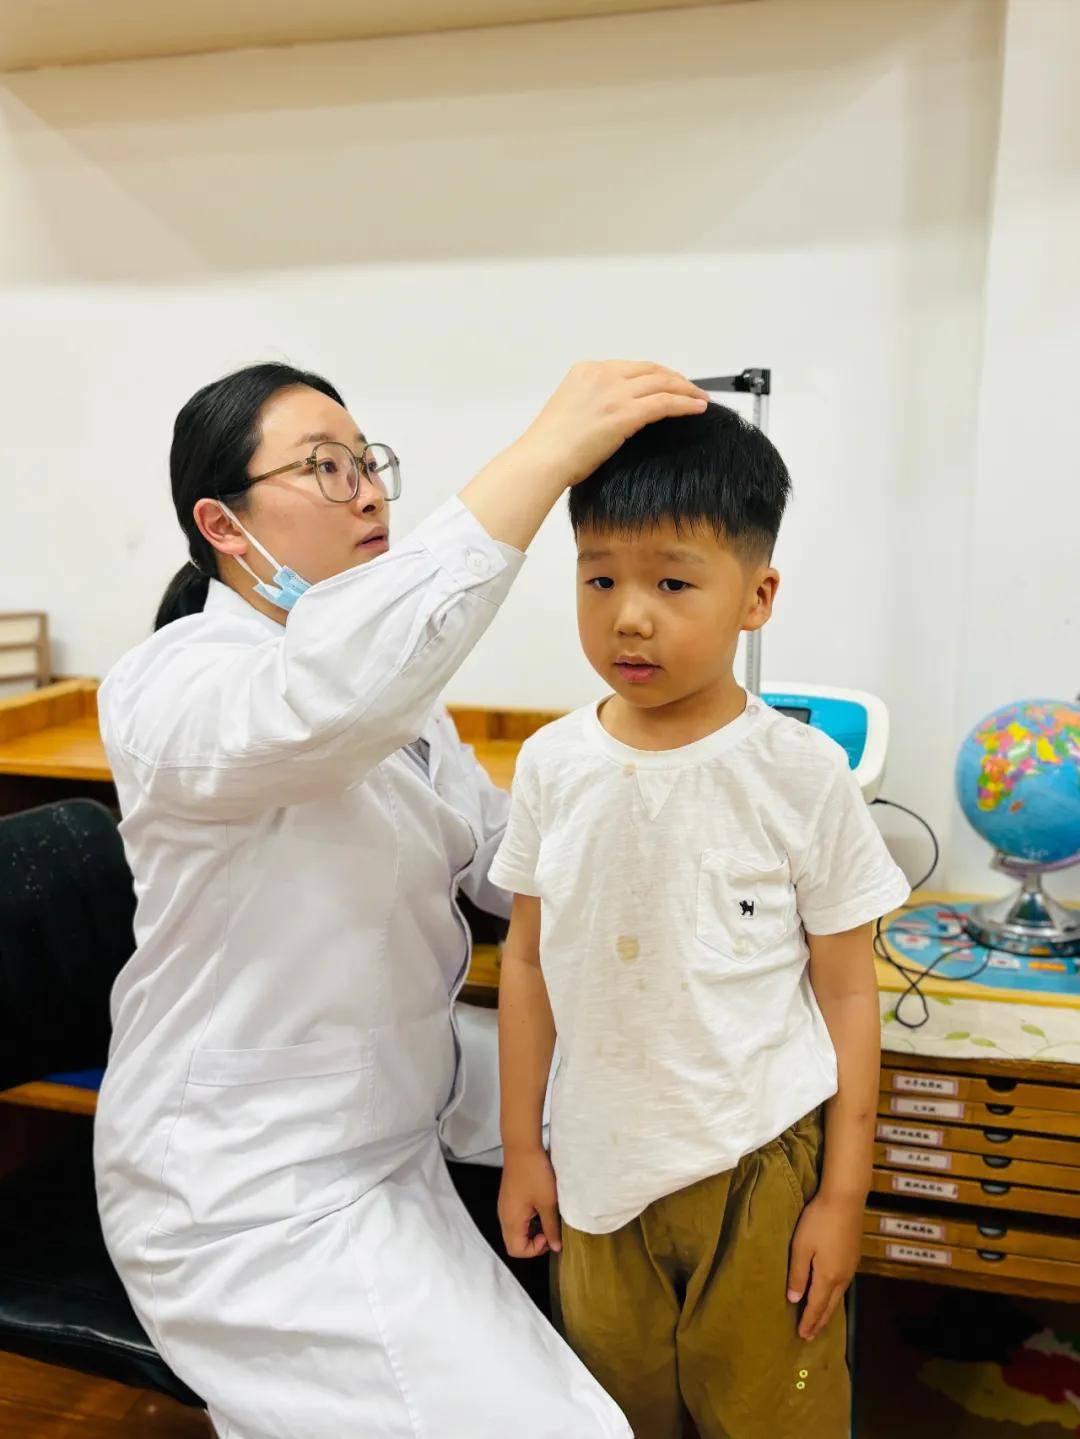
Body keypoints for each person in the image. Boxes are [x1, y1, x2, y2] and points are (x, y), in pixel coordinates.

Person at [93, 358, 710, 1439]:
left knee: (690, 1103)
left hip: (390, 1119)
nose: (369, 490)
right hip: (249, 1189)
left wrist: (698, 855)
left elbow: (497, 857)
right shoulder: (174, 687)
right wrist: (545, 452)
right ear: (224, 525)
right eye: (324, 469)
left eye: (367, 460)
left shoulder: (402, 709)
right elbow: (328, 700)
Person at [492, 402, 911, 1439]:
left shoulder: (801, 772)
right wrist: (521, 1148)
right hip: (595, 1175)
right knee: (613, 1413)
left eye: (672, 582)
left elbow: (848, 988)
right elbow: (529, 962)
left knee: (770, 1419)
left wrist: (842, 1196)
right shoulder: (550, 763)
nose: (628, 615)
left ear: (756, 595)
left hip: (758, 1171)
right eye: (599, 579)